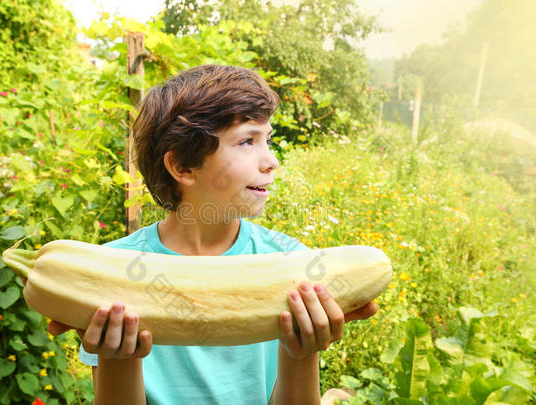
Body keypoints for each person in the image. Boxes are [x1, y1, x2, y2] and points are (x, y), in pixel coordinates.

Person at [47, 64, 378, 404]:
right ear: (182, 167)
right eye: (247, 141)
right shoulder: (113, 271)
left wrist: (300, 355)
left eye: (268, 139)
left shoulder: (295, 266)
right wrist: (119, 361)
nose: (271, 161)